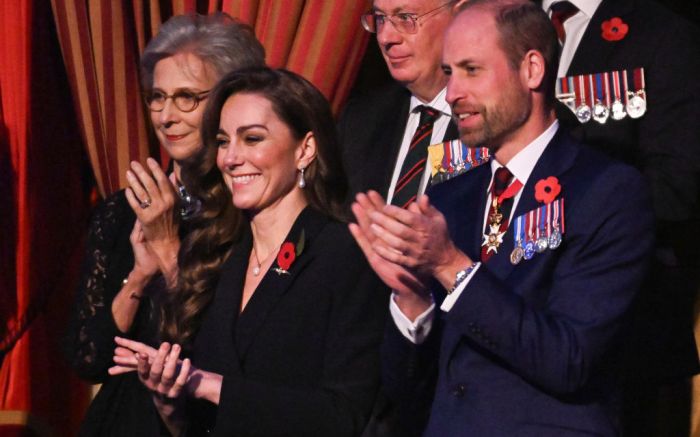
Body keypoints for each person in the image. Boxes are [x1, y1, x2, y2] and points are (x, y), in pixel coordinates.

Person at [350, 1, 655, 435]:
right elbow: (410, 391)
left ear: (532, 69)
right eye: (450, 72)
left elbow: (569, 358)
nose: (453, 92)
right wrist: (411, 301)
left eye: (472, 70)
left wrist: (450, 266)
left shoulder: (606, 191)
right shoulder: (450, 196)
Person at [108, 67, 389, 437]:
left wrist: (208, 385)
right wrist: (168, 397)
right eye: (224, 141)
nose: (231, 158)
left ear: (304, 149)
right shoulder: (216, 256)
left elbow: (345, 416)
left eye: (252, 138)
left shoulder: (344, 254)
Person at [63, 13, 264, 436]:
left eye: (187, 97)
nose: (166, 116)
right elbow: (88, 359)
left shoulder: (251, 213)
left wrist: (169, 247)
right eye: (158, 97)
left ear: (231, 101)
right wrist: (140, 274)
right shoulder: (125, 210)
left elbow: (223, 358)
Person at [539, 0, 700, 433]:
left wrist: (555, 224)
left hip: (621, 333)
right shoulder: (503, 20)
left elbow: (676, 185)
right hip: (512, 329)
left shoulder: (661, 34)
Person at [338, 0, 462, 208]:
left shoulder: (498, 119)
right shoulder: (361, 119)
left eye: (405, 18)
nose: (386, 37)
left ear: (459, 17)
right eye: (380, 19)